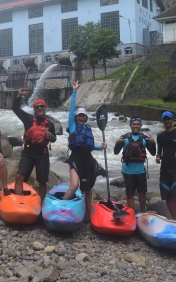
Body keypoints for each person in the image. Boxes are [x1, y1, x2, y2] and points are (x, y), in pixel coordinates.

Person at [63, 81, 107, 221]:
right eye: (79, 115)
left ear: (86, 117)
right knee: (74, 185)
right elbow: (71, 109)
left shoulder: (88, 129)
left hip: (87, 158)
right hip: (75, 158)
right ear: (76, 117)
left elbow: (89, 145)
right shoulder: (73, 126)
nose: (81, 117)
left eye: (83, 116)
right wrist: (74, 92)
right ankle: (62, 208)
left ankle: (88, 214)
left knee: (88, 189)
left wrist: (101, 147)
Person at [12, 88, 57, 201]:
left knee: (42, 181)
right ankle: (18, 203)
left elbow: (54, 139)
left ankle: (41, 204)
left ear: (45, 108)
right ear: (34, 109)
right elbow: (15, 109)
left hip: (42, 153)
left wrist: (52, 138)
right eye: (37, 107)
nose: (40, 108)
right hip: (28, 152)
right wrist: (18, 96)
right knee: (19, 177)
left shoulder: (50, 124)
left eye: (42, 106)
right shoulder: (28, 118)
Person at [113, 116, 156, 213]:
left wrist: (153, 143)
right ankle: (131, 212)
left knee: (142, 193)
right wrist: (118, 142)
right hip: (128, 171)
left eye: (137, 124)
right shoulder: (124, 137)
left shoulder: (145, 138)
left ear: (141, 126)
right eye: (133, 124)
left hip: (141, 171)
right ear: (130, 125)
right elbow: (116, 152)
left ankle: (142, 212)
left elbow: (153, 153)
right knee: (130, 193)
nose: (135, 126)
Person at [156, 111, 176, 220]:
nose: (167, 121)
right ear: (163, 121)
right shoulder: (160, 136)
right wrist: (158, 157)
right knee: (167, 197)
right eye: (165, 119)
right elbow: (159, 152)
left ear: (173, 120)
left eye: (169, 119)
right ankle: (174, 219)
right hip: (164, 169)